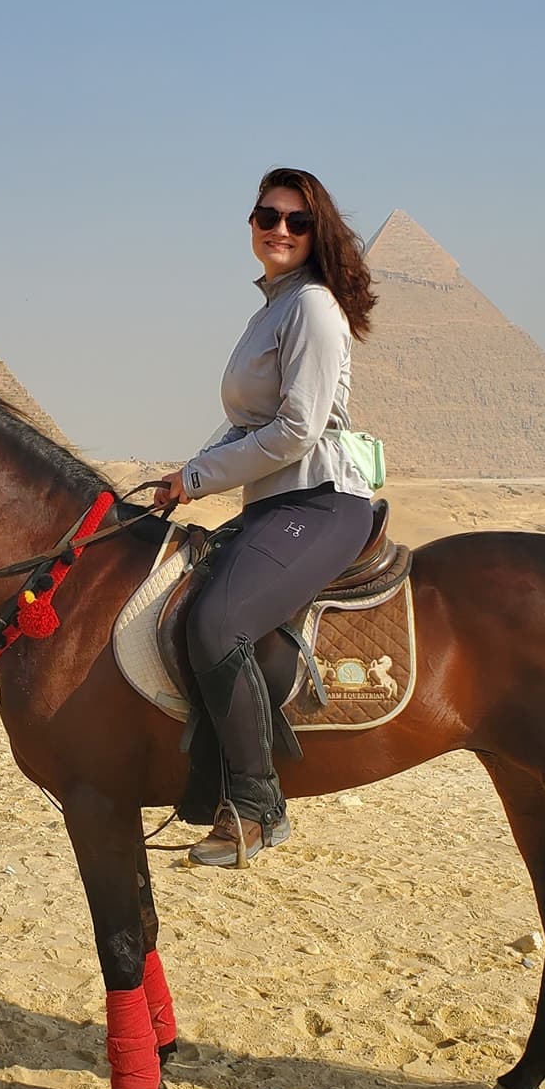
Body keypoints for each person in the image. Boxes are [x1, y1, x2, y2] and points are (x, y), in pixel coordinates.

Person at [157, 167, 379, 866]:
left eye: (296, 220)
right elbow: (247, 425)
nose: (278, 229)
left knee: (219, 622)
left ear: (318, 234)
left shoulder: (310, 306)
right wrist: (182, 479)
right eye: (266, 215)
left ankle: (257, 808)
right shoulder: (270, 311)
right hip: (277, 504)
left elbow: (296, 431)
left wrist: (198, 477)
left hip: (321, 500)